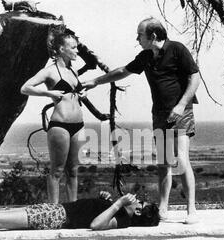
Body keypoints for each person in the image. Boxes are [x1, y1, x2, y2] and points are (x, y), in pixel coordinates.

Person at [82, 18, 201, 224]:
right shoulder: (146, 56)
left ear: (153, 36)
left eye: (140, 35)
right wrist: (95, 81)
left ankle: (191, 208)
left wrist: (181, 105)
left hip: (181, 112)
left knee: (181, 159)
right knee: (164, 163)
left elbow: (195, 77)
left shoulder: (177, 49)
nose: (137, 38)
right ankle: (163, 207)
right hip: (160, 114)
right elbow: (122, 71)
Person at [20, 24, 87, 204]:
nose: (76, 51)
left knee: (73, 171)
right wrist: (48, 93)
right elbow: (25, 88)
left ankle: (73, 209)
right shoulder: (49, 71)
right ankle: (54, 209)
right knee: (57, 170)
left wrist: (82, 93)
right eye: (73, 47)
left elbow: (73, 92)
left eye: (77, 47)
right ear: (61, 49)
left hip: (78, 125)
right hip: (60, 125)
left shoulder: (72, 70)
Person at [0, 192, 160, 233]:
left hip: (55, 218)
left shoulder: (124, 220)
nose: (138, 198)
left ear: (138, 211)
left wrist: (117, 204)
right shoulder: (118, 214)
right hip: (56, 210)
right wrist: (105, 201)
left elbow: (96, 225)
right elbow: (92, 213)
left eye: (141, 202)